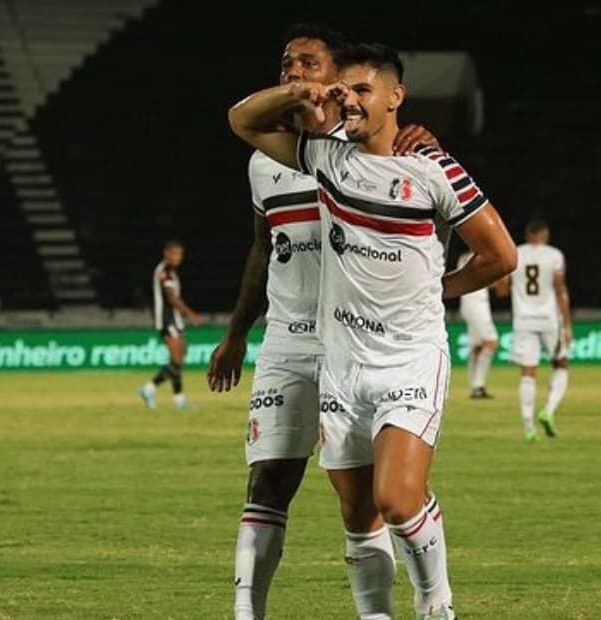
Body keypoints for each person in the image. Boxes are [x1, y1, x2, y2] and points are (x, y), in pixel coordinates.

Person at [228, 43, 517, 619]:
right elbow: (241, 120)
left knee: (398, 498)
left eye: (364, 91)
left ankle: (436, 600)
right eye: (347, 90)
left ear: (396, 98)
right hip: (341, 361)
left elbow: (499, 255)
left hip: (408, 357)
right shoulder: (324, 160)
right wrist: (299, 93)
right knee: (359, 514)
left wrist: (440, 288)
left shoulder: (434, 168)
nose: (353, 101)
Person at [209, 25, 441, 620]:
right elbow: (263, 247)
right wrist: (237, 332)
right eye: (285, 62)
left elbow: (421, 214)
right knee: (268, 482)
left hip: (357, 344)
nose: (291, 70)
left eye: (306, 62)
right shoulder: (268, 160)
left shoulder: (366, 147)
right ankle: (244, 611)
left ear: (338, 77)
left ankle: (386, 610)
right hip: (287, 338)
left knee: (360, 503)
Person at [503, 220, 572, 441]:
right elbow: (560, 289)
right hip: (549, 319)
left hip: (523, 320)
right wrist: (567, 324)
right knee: (560, 364)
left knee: (528, 372)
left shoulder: (515, 253)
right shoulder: (554, 255)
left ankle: (528, 427)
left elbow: (502, 289)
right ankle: (548, 410)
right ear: (544, 234)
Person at [138, 240, 205, 410]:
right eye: (174, 253)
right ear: (166, 253)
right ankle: (155, 391)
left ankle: (171, 396)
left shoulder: (171, 272)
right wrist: (191, 314)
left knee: (179, 359)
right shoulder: (165, 271)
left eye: (180, 254)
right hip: (167, 321)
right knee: (177, 359)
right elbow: (171, 298)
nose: (177, 257)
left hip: (175, 320)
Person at [456, 250, 498, 399]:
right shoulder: (478, 257)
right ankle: (478, 385)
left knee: (477, 346)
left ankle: (475, 386)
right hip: (476, 304)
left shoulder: (464, 257)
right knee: (490, 341)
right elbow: (488, 279)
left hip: (469, 303)